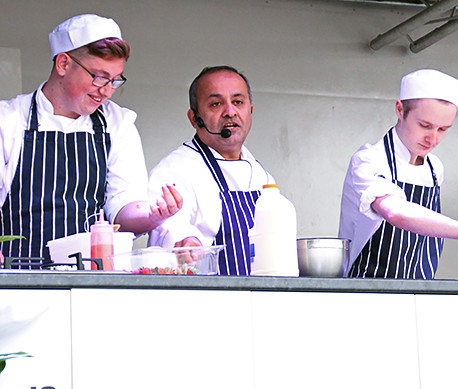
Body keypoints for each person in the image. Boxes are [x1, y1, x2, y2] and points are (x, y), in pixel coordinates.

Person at [0, 14, 182, 267]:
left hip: (91, 279)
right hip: (18, 278)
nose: (106, 90)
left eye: (115, 80)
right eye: (98, 76)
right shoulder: (8, 121)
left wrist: (152, 215)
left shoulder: (117, 124)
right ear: (63, 64)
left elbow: (123, 208)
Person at [339, 69, 458, 279]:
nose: (432, 139)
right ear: (400, 109)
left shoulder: (435, 168)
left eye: (443, 129)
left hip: (420, 289)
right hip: (368, 290)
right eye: (425, 126)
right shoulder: (369, 160)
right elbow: (395, 212)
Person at [147, 66, 275, 275]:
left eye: (238, 102)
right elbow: (167, 225)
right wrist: (187, 241)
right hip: (207, 301)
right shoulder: (175, 169)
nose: (230, 112)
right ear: (194, 118)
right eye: (216, 104)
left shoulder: (261, 175)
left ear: (251, 110)